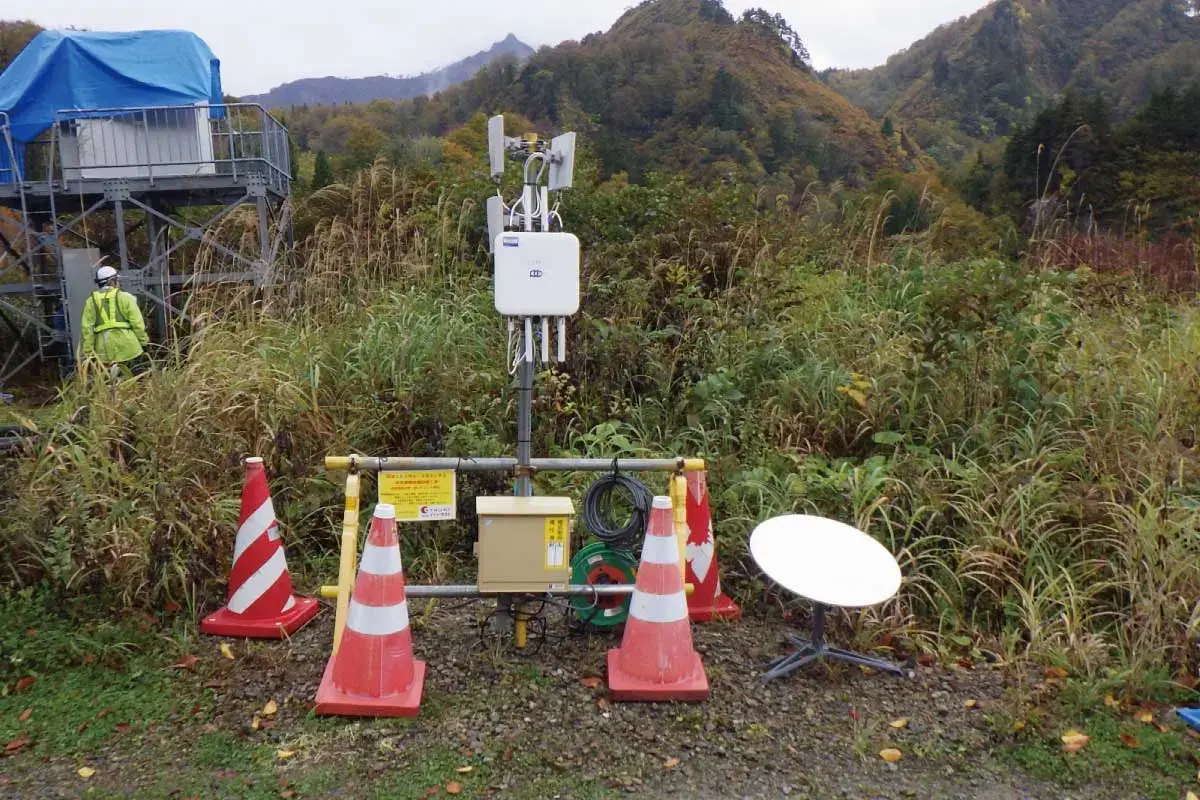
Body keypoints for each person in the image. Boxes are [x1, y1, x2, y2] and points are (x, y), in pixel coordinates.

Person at [79, 262, 150, 376]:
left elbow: (87, 330)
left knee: (111, 386)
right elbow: (137, 324)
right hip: (129, 348)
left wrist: (89, 354)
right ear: (112, 281)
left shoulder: (90, 301)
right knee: (138, 382)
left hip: (104, 352)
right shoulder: (126, 298)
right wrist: (144, 342)